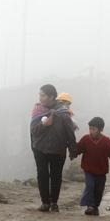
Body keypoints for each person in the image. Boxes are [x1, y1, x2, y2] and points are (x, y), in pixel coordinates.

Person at [30, 84, 77, 212]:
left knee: (56, 176)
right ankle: (45, 203)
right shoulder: (38, 110)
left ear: (51, 97)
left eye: (43, 95)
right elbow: (33, 131)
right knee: (42, 175)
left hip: (58, 150)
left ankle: (54, 203)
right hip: (40, 149)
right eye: (40, 95)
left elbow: (70, 132)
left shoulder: (63, 112)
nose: (40, 98)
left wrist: (73, 150)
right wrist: (45, 124)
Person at [71, 117, 110, 216]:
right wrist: (73, 153)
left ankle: (95, 206)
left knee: (99, 190)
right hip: (89, 169)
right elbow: (78, 149)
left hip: (101, 171)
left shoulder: (106, 141)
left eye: (93, 129)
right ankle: (90, 206)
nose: (91, 131)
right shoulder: (86, 139)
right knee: (90, 186)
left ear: (100, 129)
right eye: (90, 128)